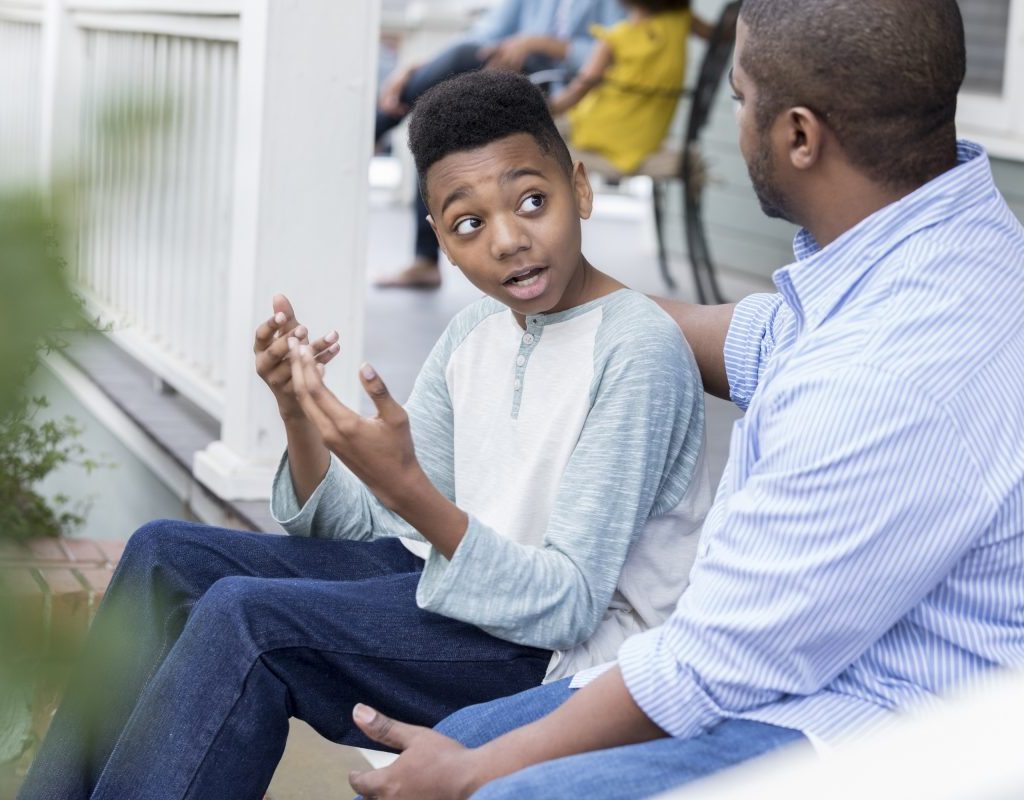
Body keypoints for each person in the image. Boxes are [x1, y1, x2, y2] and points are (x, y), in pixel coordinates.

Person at [346, 0, 1024, 797]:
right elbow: (755, 337)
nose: (735, 123)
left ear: (799, 136)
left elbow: (711, 663)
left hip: (880, 724)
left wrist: (475, 773)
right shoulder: (938, 252)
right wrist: (550, 285)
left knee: (499, 785)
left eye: (739, 99)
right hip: (808, 660)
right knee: (463, 735)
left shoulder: (879, 378)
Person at [18, 71, 711, 800]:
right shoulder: (475, 330)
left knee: (248, 620)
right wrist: (298, 413)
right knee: (165, 552)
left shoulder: (637, 350)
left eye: (532, 200)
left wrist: (407, 488)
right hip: (453, 591)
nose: (509, 240)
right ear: (442, 238)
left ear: (581, 188)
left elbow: (569, 602)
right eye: (470, 222)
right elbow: (384, 532)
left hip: (556, 657)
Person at [374, 0, 625, 289]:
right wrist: (420, 67)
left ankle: (376, 129)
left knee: (452, 72)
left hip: (564, 90)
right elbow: (483, 36)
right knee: (443, 110)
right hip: (509, 79)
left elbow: (616, 54)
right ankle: (426, 261)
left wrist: (538, 44)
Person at [549, 0, 712, 174]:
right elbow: (718, 33)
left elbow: (578, 91)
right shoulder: (682, 20)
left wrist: (546, 108)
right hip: (648, 136)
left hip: (604, 132)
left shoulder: (617, 40)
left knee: (538, 135)